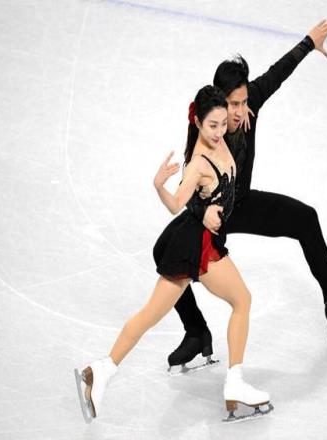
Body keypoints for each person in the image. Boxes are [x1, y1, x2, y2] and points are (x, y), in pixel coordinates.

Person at [164, 19, 327, 371]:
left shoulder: (250, 103)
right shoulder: (206, 124)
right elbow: (189, 180)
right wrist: (202, 212)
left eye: (243, 102)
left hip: (242, 203)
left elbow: (277, 73)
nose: (239, 111)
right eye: (232, 104)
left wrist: (309, 42)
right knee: (169, 251)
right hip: (212, 212)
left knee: (305, 218)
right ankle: (196, 334)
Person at [74, 85, 272, 424]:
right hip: (192, 246)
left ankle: (233, 382)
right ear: (198, 123)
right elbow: (176, 204)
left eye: (224, 123)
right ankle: (101, 372)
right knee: (153, 314)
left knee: (240, 300)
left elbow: (235, 110)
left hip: (206, 243)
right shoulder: (198, 163)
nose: (219, 131)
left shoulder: (223, 131)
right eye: (212, 125)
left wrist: (241, 111)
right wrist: (159, 186)